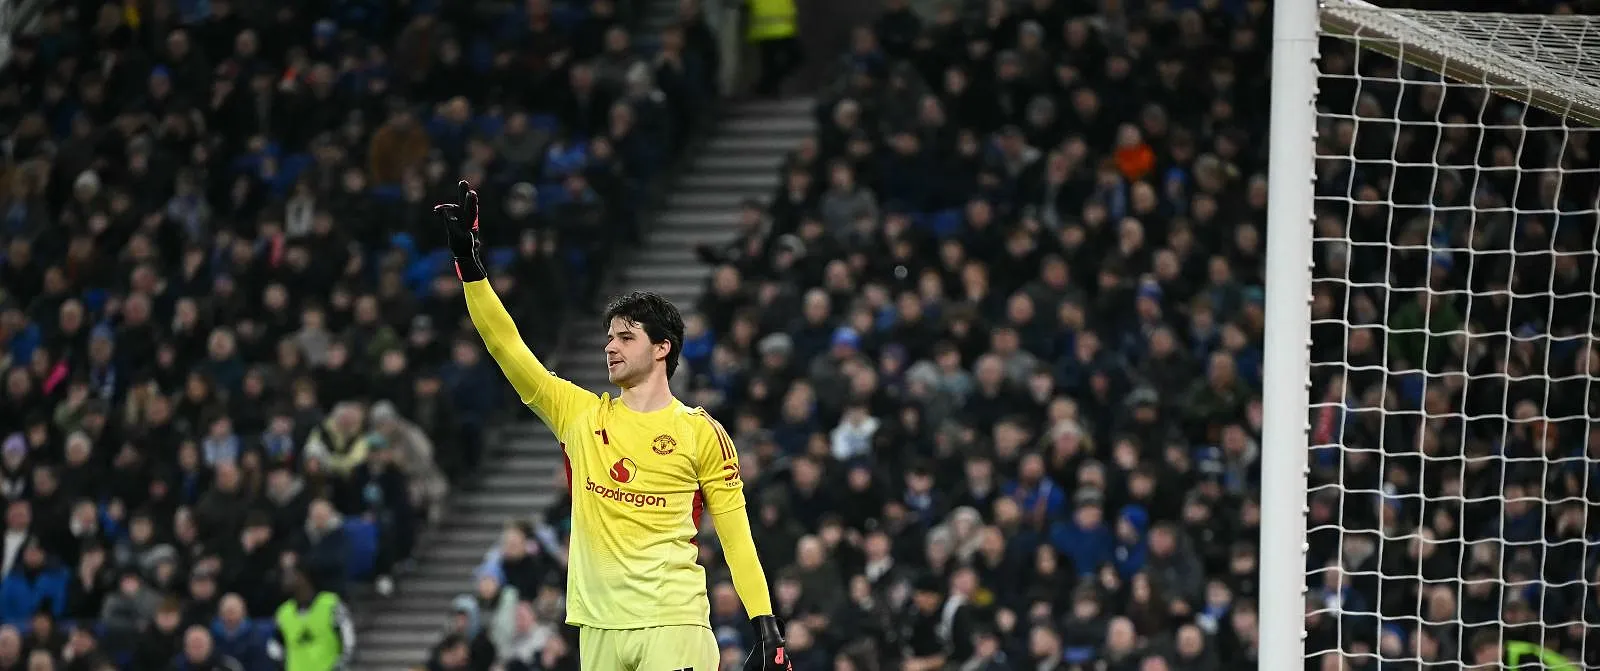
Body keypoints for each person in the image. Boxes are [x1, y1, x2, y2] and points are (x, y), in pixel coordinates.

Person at [435, 181, 792, 671]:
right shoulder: (579, 414)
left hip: (673, 624)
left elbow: (736, 537)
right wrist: (472, 270)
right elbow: (507, 347)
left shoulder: (700, 433)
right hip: (598, 628)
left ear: (662, 348)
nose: (610, 347)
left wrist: (767, 628)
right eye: (608, 337)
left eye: (626, 336)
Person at [267, 566, 355, 671]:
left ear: (303, 577)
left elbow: (348, 639)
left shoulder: (331, 604)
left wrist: (340, 665)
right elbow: (274, 646)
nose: (286, 578)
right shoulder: (283, 613)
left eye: (291, 573)